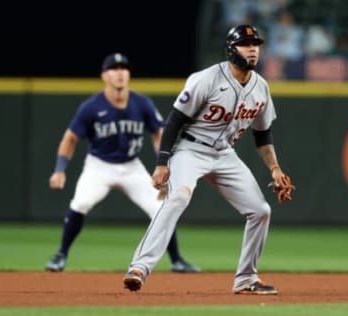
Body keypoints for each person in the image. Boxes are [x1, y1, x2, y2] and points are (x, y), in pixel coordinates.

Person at [123, 25, 295, 295]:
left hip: (225, 153)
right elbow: (175, 120)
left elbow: (262, 134)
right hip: (189, 149)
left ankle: (247, 279)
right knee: (178, 197)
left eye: (255, 44)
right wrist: (162, 163)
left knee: (261, 211)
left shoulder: (261, 87)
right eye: (245, 44)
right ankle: (139, 268)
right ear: (231, 49)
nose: (252, 49)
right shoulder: (206, 78)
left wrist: (275, 169)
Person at [45, 52, 200, 273]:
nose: (120, 73)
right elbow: (70, 138)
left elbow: (159, 133)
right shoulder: (91, 106)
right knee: (80, 203)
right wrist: (59, 170)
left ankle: (177, 260)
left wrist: (164, 163)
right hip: (99, 166)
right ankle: (60, 255)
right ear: (104, 76)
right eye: (114, 69)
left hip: (131, 167)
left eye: (123, 69)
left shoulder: (142, 103)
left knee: (160, 209)